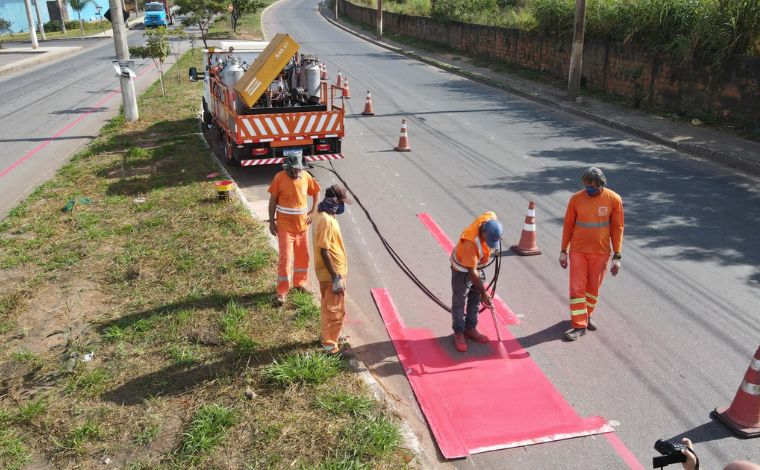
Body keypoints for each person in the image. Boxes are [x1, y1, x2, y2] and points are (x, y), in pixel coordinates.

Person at [559, 167, 624, 341]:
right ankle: (578, 325)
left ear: (602, 184)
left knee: (592, 289)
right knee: (577, 288)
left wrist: (617, 256)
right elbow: (568, 226)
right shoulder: (576, 199)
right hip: (578, 251)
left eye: (593, 187)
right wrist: (563, 251)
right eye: (587, 186)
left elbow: (617, 229)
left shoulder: (614, 199)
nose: (589, 190)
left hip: (601, 253)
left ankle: (587, 315)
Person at [267, 154, 321, 304]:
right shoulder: (279, 178)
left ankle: (300, 283)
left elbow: (316, 192)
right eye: (295, 170)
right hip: (285, 228)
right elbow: (272, 201)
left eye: (300, 169)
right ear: (288, 167)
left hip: (303, 227)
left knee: (303, 256)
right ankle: (282, 291)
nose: (298, 172)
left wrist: (313, 210)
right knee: (286, 258)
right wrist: (272, 222)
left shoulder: (306, 176)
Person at [449, 211, 503, 353]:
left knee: (476, 298)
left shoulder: (489, 219)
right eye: (489, 240)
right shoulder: (470, 243)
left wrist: (481, 293)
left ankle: (470, 328)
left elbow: (491, 213)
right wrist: (484, 292)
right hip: (462, 269)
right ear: (483, 232)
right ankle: (459, 332)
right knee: (459, 301)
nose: (490, 244)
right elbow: (471, 272)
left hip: (477, 265)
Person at [312, 184, 351, 354]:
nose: (343, 205)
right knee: (334, 310)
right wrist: (336, 277)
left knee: (330, 306)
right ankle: (330, 347)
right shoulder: (327, 220)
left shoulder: (324, 214)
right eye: (342, 201)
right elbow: (324, 250)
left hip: (329, 272)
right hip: (331, 274)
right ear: (335, 200)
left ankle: (333, 336)